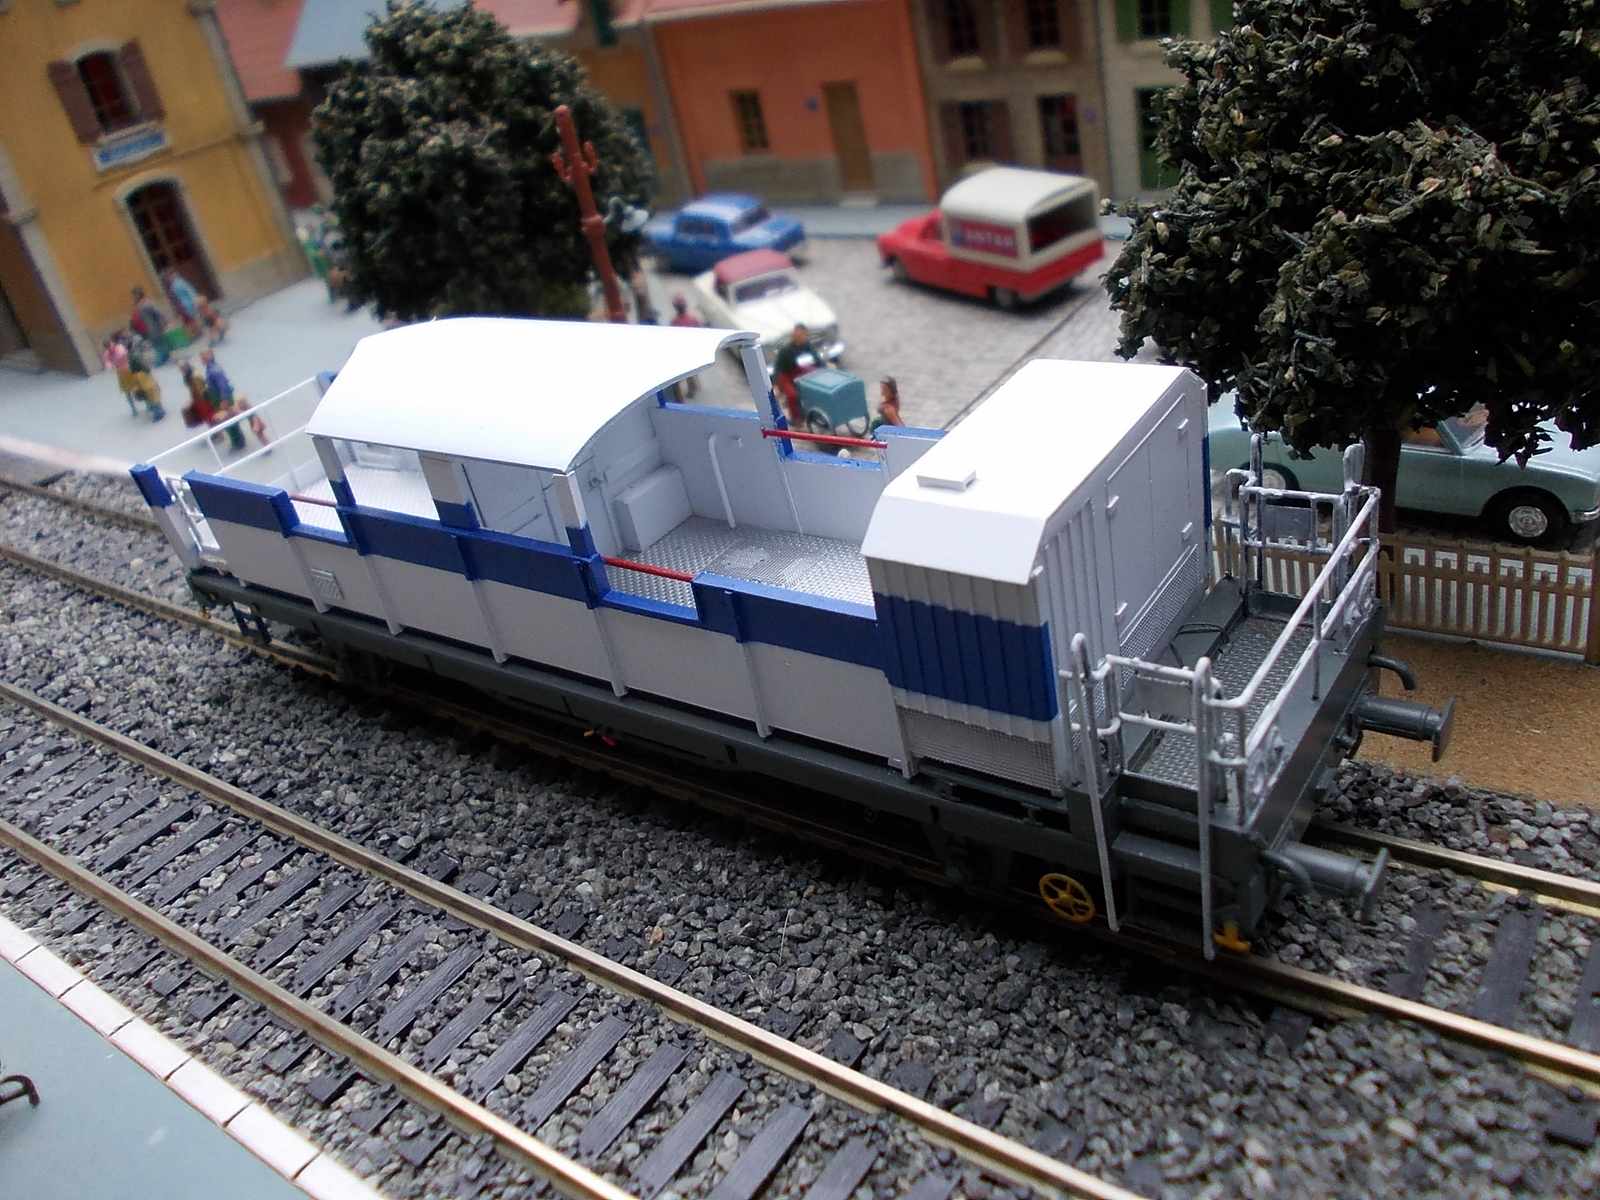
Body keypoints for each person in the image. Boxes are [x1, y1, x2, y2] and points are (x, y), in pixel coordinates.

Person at [771, 323, 820, 426]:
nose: (802, 338)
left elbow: (816, 358)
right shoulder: (786, 350)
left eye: (803, 335)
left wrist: (822, 368)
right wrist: (776, 384)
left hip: (800, 371)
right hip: (785, 374)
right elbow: (778, 367)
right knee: (792, 395)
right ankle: (795, 418)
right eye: (799, 335)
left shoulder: (807, 346)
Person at [124, 334, 165, 421]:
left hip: (140, 375)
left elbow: (140, 364)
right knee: (151, 391)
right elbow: (143, 363)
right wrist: (147, 370)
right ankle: (158, 409)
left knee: (150, 392)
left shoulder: (132, 354)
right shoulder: (134, 353)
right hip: (142, 375)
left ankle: (158, 411)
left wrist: (146, 370)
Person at [669, 295, 703, 399]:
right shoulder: (692, 319)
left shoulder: (675, 322)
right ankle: (695, 386)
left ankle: (692, 388)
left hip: (684, 350)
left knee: (688, 371)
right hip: (691, 348)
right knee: (692, 371)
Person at [129, 287, 170, 366]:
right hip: (147, 327)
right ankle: (164, 356)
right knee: (157, 342)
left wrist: (163, 322)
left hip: (153, 326)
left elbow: (157, 313)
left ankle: (162, 359)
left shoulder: (146, 303)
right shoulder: (140, 304)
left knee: (158, 342)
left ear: (139, 294)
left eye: (134, 295)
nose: (133, 297)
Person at [102, 335, 139, 416]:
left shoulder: (119, 348)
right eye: (107, 346)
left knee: (136, 387)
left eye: (109, 345)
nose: (109, 347)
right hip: (122, 372)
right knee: (128, 391)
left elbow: (122, 355)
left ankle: (141, 405)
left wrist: (112, 363)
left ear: (111, 343)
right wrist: (110, 365)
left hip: (128, 369)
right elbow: (108, 363)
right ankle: (133, 408)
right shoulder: (108, 353)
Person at [163, 268, 202, 340]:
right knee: (188, 320)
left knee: (191, 319)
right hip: (182, 305)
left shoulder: (179, 282)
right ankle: (194, 334)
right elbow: (175, 298)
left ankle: (197, 333)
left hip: (186, 304)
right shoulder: (173, 285)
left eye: (170, 276)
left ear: (174, 275)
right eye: (168, 277)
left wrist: (195, 299)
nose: (169, 278)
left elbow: (189, 290)